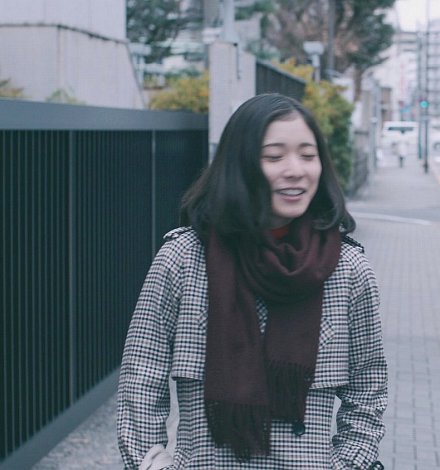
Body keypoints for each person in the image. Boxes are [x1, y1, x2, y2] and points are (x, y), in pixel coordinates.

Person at [117, 93, 387, 469]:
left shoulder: (347, 269)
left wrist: (346, 464)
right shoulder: (184, 259)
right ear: (239, 164)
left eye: (308, 155)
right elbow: (142, 377)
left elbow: (368, 387)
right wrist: (149, 462)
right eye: (274, 156)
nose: (295, 170)